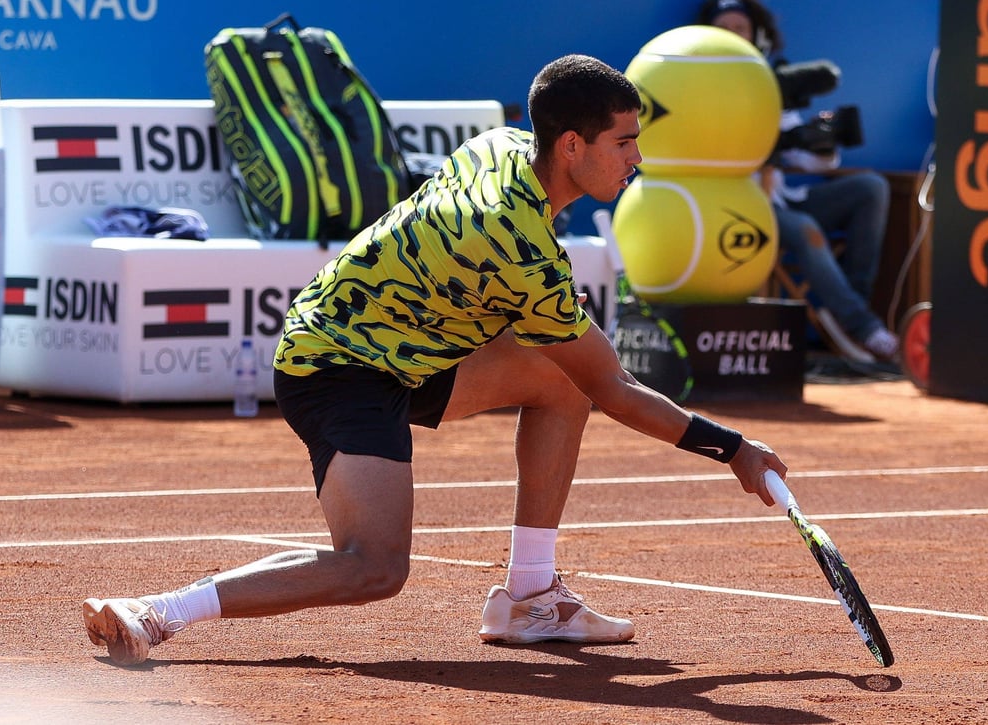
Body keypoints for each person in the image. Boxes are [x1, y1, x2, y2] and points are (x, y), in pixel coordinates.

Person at [81, 54, 789, 667]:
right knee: (374, 567)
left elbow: (583, 374)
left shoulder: (505, 146)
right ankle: (160, 609)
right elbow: (617, 386)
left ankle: (531, 598)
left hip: (408, 349)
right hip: (337, 364)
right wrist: (732, 448)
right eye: (625, 142)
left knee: (558, 379)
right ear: (572, 145)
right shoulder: (522, 253)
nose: (638, 158)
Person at [698, 0, 899, 362]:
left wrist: (821, 139)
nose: (730, 36)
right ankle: (864, 327)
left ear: (758, 36)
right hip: (742, 206)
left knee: (871, 187)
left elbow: (806, 160)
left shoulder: (772, 83)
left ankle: (849, 311)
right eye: (722, 28)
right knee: (805, 227)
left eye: (738, 29)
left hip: (785, 197)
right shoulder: (698, 87)